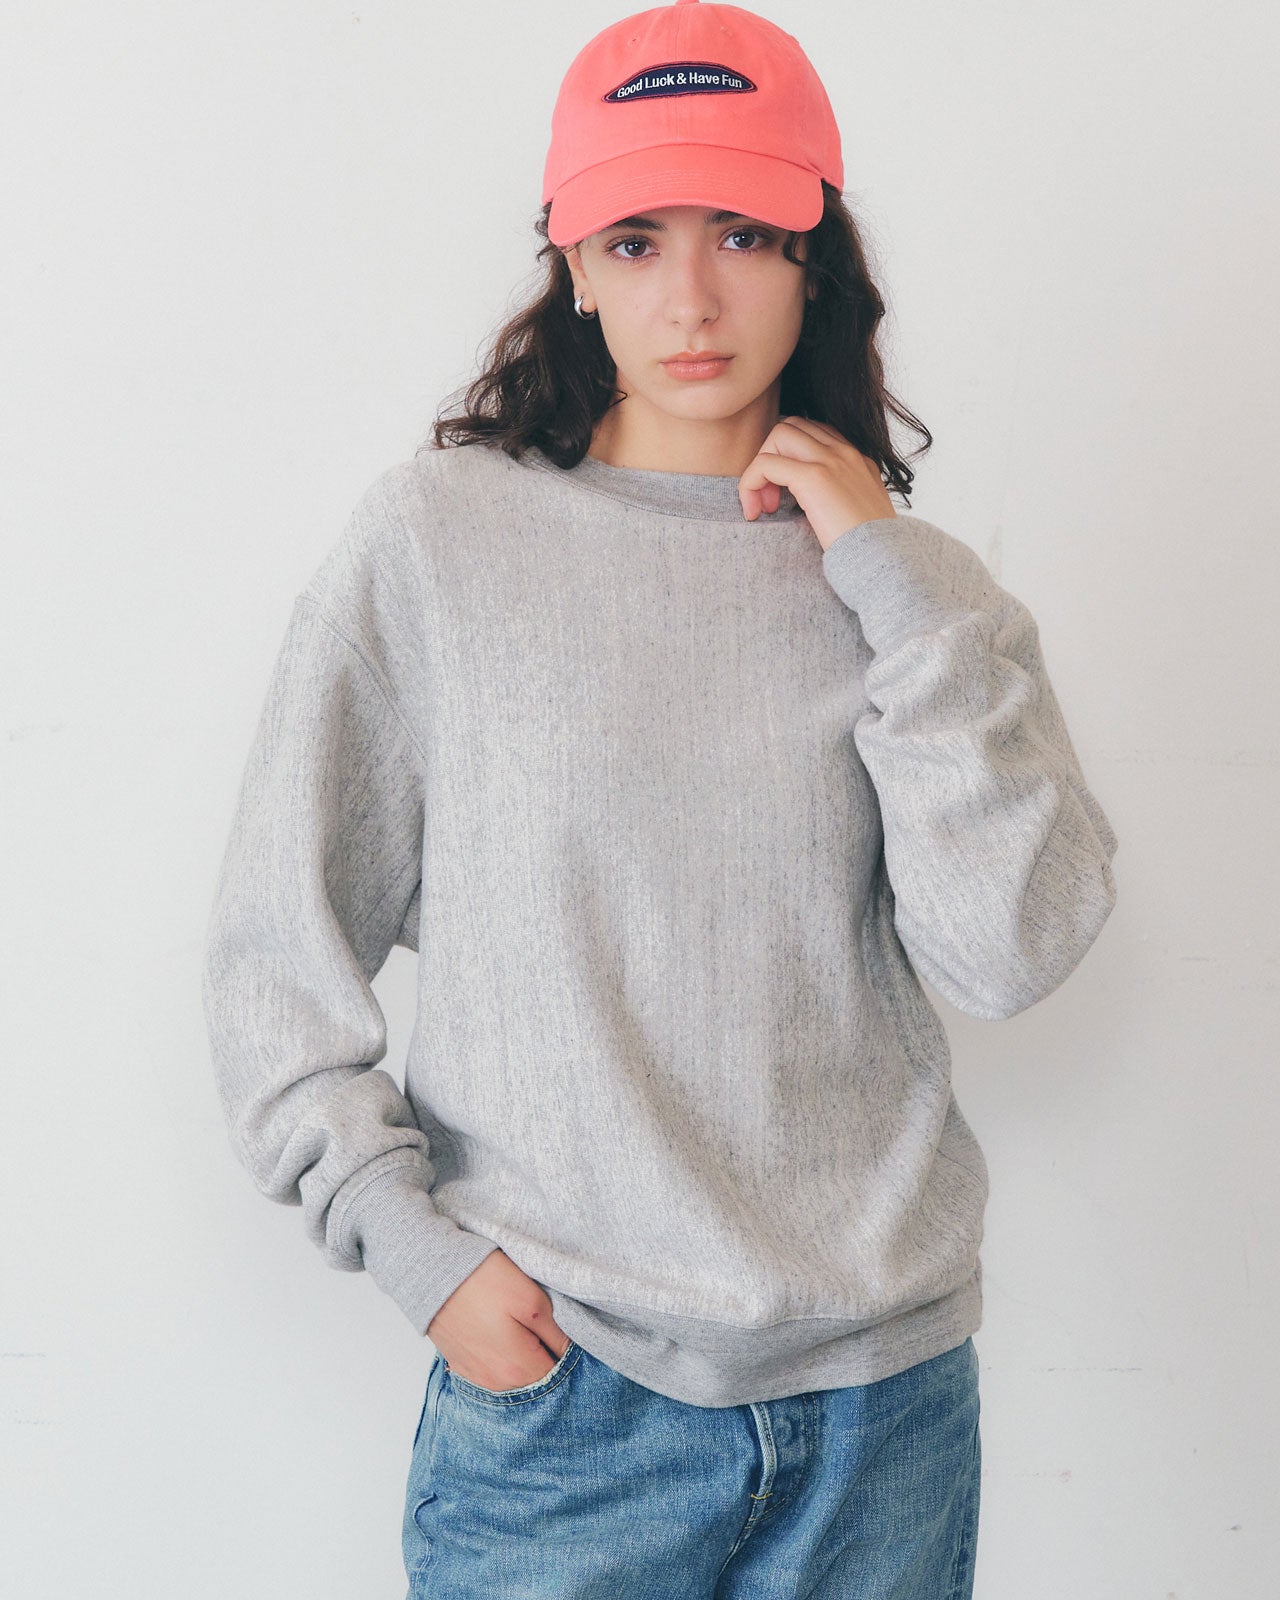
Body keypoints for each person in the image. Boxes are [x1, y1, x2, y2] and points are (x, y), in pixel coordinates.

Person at [200, 1, 1119, 1595]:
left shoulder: (912, 591)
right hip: (565, 1414)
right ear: (572, 262)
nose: (690, 300)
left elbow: (1011, 951)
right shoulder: (439, 546)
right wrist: (412, 1250)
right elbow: (274, 948)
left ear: (815, 258)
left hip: (883, 1410)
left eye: (744, 236)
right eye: (635, 242)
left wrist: (895, 583)